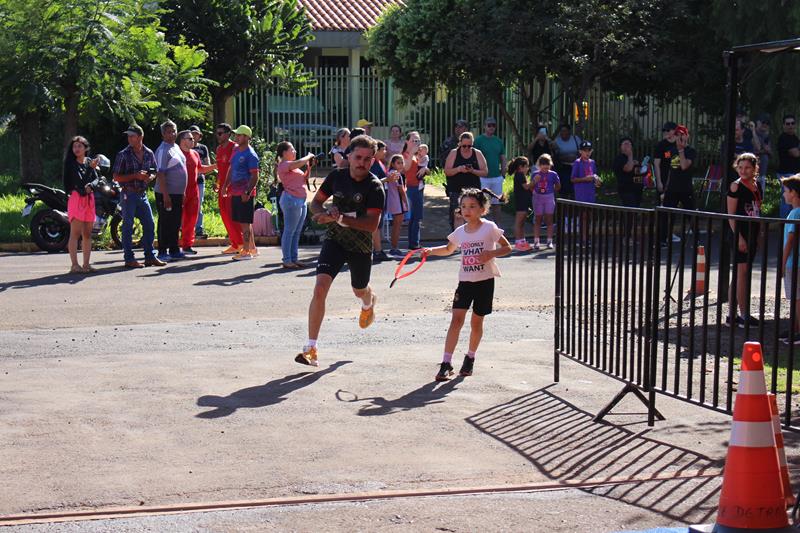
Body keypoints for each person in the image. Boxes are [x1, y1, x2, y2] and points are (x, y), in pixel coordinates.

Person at [295, 135, 386, 367]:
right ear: (349, 156)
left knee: (359, 291)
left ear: (373, 161)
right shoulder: (336, 177)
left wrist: (343, 218)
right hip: (335, 240)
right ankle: (311, 347)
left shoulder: (375, 187)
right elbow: (315, 203)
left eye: (367, 159)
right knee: (320, 288)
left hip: (360, 246)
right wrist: (321, 214)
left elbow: (371, 225)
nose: (362, 163)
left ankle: (369, 302)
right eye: (358, 157)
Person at [423, 188, 512, 382]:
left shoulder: (489, 228)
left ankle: (470, 357)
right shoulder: (460, 232)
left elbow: (507, 247)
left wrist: (491, 254)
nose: (467, 210)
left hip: (485, 282)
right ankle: (446, 363)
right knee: (456, 320)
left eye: (472, 206)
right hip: (465, 282)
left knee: (476, 322)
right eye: (463, 206)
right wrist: (429, 251)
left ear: (482, 209)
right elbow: (448, 249)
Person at [112, 125, 164, 269]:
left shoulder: (148, 152)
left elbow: (154, 170)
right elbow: (116, 177)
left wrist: (150, 177)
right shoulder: (123, 154)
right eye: (128, 136)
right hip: (128, 193)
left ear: (140, 137)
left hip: (142, 194)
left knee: (150, 224)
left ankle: (150, 256)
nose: (129, 139)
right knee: (127, 226)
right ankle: (129, 258)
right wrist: (135, 175)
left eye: (132, 136)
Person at [726, 152, 762, 329]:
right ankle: (742, 314)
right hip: (740, 233)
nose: (743, 170)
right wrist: (739, 237)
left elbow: (758, 211)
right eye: (740, 167)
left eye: (747, 167)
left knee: (742, 273)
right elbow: (730, 215)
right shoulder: (735, 186)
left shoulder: (757, 185)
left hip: (752, 232)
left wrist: (759, 234)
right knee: (741, 272)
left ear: (754, 168)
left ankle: (731, 315)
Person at [63, 136, 100, 274]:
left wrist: (92, 185)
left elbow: (96, 178)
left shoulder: (89, 162)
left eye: (79, 146)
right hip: (77, 199)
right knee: (75, 233)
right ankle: (74, 265)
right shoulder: (71, 164)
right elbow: (79, 183)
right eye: (74, 146)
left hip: (89, 199)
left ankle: (86, 265)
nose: (76, 149)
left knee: (87, 233)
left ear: (85, 148)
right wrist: (90, 170)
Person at [276, 141, 315, 269]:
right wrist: (308, 156)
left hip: (300, 200)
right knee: (289, 231)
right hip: (291, 201)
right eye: (292, 149)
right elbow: (298, 162)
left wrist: (309, 166)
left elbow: (303, 179)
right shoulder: (283, 165)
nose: (295, 151)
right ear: (284, 153)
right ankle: (287, 260)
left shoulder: (293, 167)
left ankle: (293, 258)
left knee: (297, 232)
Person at [223, 125, 260, 261]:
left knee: (245, 222)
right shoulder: (236, 150)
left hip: (245, 193)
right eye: (236, 135)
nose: (236, 137)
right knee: (244, 222)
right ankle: (252, 248)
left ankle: (246, 251)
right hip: (235, 191)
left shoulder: (251, 155)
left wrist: (247, 191)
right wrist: (225, 185)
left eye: (239, 135)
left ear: (246, 137)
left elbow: (255, 176)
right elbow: (231, 168)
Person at [178, 130, 217, 255]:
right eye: (189, 138)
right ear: (182, 140)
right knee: (177, 220)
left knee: (191, 219)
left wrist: (216, 166)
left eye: (192, 139)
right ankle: (173, 246)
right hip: (179, 191)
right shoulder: (176, 153)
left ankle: (187, 245)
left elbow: (200, 169)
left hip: (194, 191)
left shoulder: (195, 153)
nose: (193, 140)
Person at [154, 120, 187, 262]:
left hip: (177, 193)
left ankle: (174, 249)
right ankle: (162, 251)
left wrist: (183, 192)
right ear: (163, 134)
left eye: (174, 131)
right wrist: (166, 195)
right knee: (165, 222)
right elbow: (160, 174)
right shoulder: (163, 150)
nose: (172, 134)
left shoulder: (176, 147)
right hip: (165, 193)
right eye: (168, 131)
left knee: (175, 222)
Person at [659, 124, 696, 245]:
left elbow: (684, 166)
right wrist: (665, 189)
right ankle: (663, 239)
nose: (679, 137)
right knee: (666, 213)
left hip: (686, 188)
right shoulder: (670, 151)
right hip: (672, 188)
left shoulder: (691, 151)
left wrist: (681, 150)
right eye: (677, 135)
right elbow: (667, 163)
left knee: (691, 214)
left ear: (687, 136)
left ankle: (697, 240)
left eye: (682, 135)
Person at [444, 132, 487, 229]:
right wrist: (458, 169)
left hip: (473, 190)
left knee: (474, 215)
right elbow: (447, 171)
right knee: (457, 215)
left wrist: (473, 170)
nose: (467, 148)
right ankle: (458, 240)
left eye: (469, 146)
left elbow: (485, 172)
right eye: (464, 146)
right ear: (459, 144)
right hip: (456, 189)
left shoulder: (477, 153)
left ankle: (473, 238)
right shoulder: (454, 153)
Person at [214, 123, 244, 255]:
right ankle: (235, 243)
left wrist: (227, 186)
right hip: (223, 188)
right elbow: (221, 170)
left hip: (233, 187)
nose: (218, 136)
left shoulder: (235, 148)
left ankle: (242, 243)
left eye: (220, 133)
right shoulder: (219, 149)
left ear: (228, 134)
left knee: (234, 215)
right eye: (217, 133)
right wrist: (218, 183)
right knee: (225, 215)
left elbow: (235, 169)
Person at [474, 117, 506, 222]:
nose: (491, 127)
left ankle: (497, 228)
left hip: (497, 177)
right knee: (481, 203)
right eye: (489, 125)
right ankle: (480, 226)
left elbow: (502, 157)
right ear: (484, 126)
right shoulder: (478, 140)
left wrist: (503, 174)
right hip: (482, 177)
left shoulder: (498, 141)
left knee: (497, 203)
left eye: (493, 125)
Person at [780, 174, 800, 344]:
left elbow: (791, 240)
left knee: (796, 297)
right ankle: (794, 327)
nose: (783, 194)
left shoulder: (795, 213)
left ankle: (798, 329)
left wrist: (783, 261)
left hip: (794, 263)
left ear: (793, 193)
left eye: (785, 191)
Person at [403, 131, 430, 249]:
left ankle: (414, 242)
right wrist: (411, 153)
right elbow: (405, 168)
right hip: (411, 187)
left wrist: (425, 169)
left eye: (418, 140)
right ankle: (414, 243)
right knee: (415, 215)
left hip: (419, 186)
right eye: (414, 140)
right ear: (407, 142)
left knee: (417, 216)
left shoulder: (418, 155)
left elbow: (426, 171)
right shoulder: (405, 154)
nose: (416, 143)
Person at [531, 154, 560, 250]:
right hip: (537, 198)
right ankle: (536, 241)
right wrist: (535, 184)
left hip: (549, 197)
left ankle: (549, 241)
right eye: (543, 164)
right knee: (538, 219)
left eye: (547, 164)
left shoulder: (553, 174)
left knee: (549, 219)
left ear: (550, 164)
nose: (545, 166)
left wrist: (552, 191)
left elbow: (558, 186)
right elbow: (531, 187)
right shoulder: (535, 174)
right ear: (539, 165)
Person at [370, 141, 391, 263]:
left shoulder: (380, 163)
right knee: (376, 225)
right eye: (383, 150)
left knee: (379, 224)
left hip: (382, 195)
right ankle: (377, 250)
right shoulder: (373, 164)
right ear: (376, 151)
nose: (385, 152)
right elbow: (373, 181)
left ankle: (377, 249)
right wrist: (387, 179)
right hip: (376, 196)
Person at [189, 125, 210, 240]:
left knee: (198, 205)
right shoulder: (185, 148)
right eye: (192, 134)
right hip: (187, 181)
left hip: (200, 180)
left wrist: (201, 168)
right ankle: (185, 229)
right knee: (186, 205)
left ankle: (198, 229)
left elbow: (207, 163)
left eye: (196, 134)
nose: (194, 136)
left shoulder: (203, 148)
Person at [385, 154, 409, 257]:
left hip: (393, 202)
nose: (401, 164)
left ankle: (394, 247)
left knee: (396, 226)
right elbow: (401, 191)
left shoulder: (391, 173)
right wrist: (406, 203)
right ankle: (394, 248)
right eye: (398, 162)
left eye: (402, 162)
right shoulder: (396, 175)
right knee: (397, 227)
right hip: (398, 203)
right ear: (393, 163)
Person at [778, 114, 800, 218]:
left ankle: (793, 224)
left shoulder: (795, 138)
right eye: (788, 123)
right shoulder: (783, 138)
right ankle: (784, 224)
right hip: (786, 174)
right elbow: (795, 153)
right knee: (786, 201)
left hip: (795, 174)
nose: (790, 125)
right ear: (783, 125)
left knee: (795, 200)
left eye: (792, 123)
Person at [509, 156, 532, 251]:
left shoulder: (521, 175)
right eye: (526, 166)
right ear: (520, 167)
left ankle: (522, 240)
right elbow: (526, 187)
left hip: (524, 201)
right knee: (519, 222)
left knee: (522, 222)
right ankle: (518, 242)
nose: (528, 168)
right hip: (521, 201)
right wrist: (534, 181)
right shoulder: (519, 175)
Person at [553, 124, 581, 199]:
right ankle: (564, 202)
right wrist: (564, 157)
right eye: (561, 131)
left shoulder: (575, 139)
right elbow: (555, 155)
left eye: (565, 131)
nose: (563, 133)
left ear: (569, 131)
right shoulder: (557, 141)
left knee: (575, 186)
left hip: (575, 166)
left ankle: (575, 201)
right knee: (564, 186)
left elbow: (581, 151)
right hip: (563, 167)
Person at [614, 137, 643, 208]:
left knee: (636, 211)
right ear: (620, 147)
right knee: (630, 213)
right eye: (625, 144)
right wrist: (630, 156)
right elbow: (628, 169)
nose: (628, 146)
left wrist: (643, 166)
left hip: (637, 191)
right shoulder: (619, 159)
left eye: (629, 144)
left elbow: (639, 172)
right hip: (626, 191)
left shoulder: (634, 159)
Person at [653, 121, 677, 201]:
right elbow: (656, 164)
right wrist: (659, 181)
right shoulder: (661, 145)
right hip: (664, 176)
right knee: (662, 202)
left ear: (674, 131)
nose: (665, 132)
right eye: (664, 130)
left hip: (676, 178)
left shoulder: (680, 144)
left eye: (668, 130)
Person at [755, 114, 772, 193]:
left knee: (760, 198)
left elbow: (770, 151)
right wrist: (764, 150)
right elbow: (755, 150)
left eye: (767, 123)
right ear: (757, 122)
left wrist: (765, 150)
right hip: (751, 173)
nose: (765, 124)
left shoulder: (767, 136)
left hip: (762, 174)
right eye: (763, 122)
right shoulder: (752, 134)